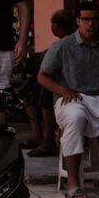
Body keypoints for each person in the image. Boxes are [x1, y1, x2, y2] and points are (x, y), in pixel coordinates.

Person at [37, 0, 99, 198]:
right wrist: (63, 91)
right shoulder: (62, 46)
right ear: (77, 21)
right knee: (75, 117)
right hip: (73, 98)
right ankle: (73, 184)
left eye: (94, 20)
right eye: (86, 20)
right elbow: (43, 76)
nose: (90, 24)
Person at [22, 9, 74, 156]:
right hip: (58, 81)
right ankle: (38, 135)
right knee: (30, 89)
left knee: (45, 92)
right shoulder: (58, 44)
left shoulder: (68, 43)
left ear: (56, 26)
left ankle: (49, 140)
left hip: (67, 86)